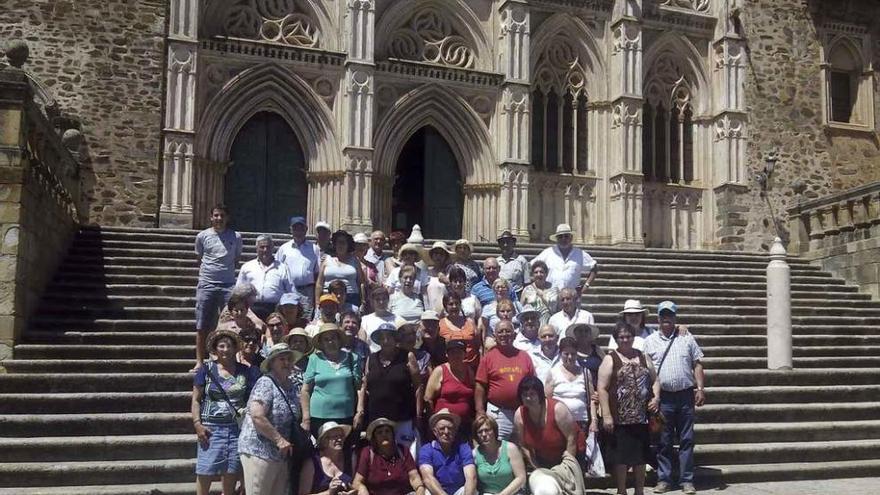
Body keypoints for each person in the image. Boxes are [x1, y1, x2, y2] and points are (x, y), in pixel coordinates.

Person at [643, 301, 705, 495]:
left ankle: (687, 479)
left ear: (675, 317)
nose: (666, 319)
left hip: (686, 395)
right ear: (658, 318)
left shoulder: (686, 337)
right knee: (664, 440)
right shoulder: (650, 341)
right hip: (664, 397)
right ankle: (664, 479)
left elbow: (697, 364)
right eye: (663, 315)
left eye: (670, 315)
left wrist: (700, 388)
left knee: (687, 439)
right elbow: (647, 372)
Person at [192, 329, 260, 495]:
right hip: (211, 428)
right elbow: (195, 399)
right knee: (205, 470)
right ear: (215, 349)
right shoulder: (206, 370)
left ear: (236, 348)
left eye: (229, 346)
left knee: (231, 471)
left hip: (237, 428)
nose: (225, 349)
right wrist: (197, 424)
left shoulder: (245, 371)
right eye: (221, 346)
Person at [598, 322, 660, 495]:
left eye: (628, 336)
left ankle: (639, 491)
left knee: (641, 457)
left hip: (641, 417)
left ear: (634, 338)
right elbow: (602, 388)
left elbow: (655, 380)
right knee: (621, 458)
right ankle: (622, 490)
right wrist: (607, 415)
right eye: (621, 337)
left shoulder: (643, 357)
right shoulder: (610, 359)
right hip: (620, 418)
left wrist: (656, 397)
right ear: (616, 339)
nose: (625, 340)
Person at [238, 343, 305, 495]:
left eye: (289, 359)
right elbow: (257, 415)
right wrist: (279, 440)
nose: (287, 363)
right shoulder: (265, 382)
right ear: (272, 363)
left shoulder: (291, 386)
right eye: (282, 359)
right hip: (259, 450)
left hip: (280, 454)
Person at [513, 376, 584, 495]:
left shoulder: (558, 409)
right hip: (544, 458)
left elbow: (571, 438)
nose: (528, 398)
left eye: (532, 394)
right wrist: (536, 467)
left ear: (540, 394)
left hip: (570, 454)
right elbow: (524, 445)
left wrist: (566, 467)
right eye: (524, 394)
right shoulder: (519, 415)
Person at [193, 205, 243, 370]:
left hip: (228, 285)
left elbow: (236, 259)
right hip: (207, 284)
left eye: (222, 215)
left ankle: (228, 362)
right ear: (211, 217)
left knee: (230, 324)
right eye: (216, 215)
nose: (219, 218)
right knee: (202, 324)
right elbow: (200, 257)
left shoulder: (235, 237)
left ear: (227, 218)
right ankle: (200, 362)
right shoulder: (202, 236)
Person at [365, 321, 422, 457]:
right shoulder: (371, 358)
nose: (386, 340)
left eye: (389, 337)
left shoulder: (407, 356)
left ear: (395, 339)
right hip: (377, 418)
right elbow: (365, 386)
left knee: (406, 454)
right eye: (382, 337)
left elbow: (418, 386)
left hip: (402, 416)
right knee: (380, 454)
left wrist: (418, 414)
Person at [301, 323, 366, 437]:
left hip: (346, 416)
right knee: (322, 452)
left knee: (344, 451)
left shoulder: (352, 358)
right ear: (321, 343)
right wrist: (306, 418)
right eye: (326, 339)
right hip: (319, 417)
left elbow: (359, 387)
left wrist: (359, 411)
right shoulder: (314, 359)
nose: (330, 342)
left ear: (339, 340)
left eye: (333, 338)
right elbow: (305, 390)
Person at [475, 320, 535, 441]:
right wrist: (480, 411)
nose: (504, 334)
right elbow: (480, 386)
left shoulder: (524, 356)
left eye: (508, 331)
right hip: (498, 413)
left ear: (514, 335)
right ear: (495, 336)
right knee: (498, 448)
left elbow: (533, 383)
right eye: (500, 332)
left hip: (522, 412)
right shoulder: (488, 358)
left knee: (522, 448)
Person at [545, 337, 598, 445]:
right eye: (566, 354)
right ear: (560, 354)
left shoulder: (585, 372)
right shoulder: (553, 373)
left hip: (582, 422)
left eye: (573, 354)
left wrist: (594, 421)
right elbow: (547, 400)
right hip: (559, 422)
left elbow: (592, 399)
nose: (570, 357)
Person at [354, 418, 426, 495]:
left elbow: (414, 477)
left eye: (387, 431)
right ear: (374, 438)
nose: (384, 434)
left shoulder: (403, 451)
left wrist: (420, 488)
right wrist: (362, 489)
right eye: (379, 432)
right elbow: (357, 482)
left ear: (393, 434)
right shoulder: (367, 453)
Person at [418, 409, 478, 495]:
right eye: (442, 428)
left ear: (455, 431)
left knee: (472, 490)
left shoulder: (463, 447)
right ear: (435, 432)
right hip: (437, 491)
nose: (446, 432)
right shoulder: (426, 450)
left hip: (459, 491)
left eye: (450, 428)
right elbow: (428, 478)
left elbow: (471, 477)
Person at [424, 340, 475, 438]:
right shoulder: (440, 371)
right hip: (444, 426)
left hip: (464, 424)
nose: (456, 355)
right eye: (452, 352)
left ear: (464, 354)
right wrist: (432, 423)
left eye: (459, 352)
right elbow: (427, 398)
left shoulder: (469, 370)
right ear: (447, 354)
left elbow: (473, 394)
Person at [236, 234, 292, 320]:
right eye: (262, 247)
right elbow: (238, 291)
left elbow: (290, 290)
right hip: (252, 309)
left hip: (275, 309)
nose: (265, 250)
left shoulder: (283, 268)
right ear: (257, 248)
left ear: (273, 248)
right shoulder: (247, 267)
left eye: (268, 247)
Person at [531, 223, 597, 294]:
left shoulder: (580, 253)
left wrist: (586, 285)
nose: (563, 239)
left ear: (571, 237)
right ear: (556, 239)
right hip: (550, 297)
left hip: (572, 298)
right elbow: (532, 265)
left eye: (566, 236)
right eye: (560, 236)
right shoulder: (548, 252)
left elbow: (594, 267)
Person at [277, 216, 321, 319]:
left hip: (307, 292)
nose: (298, 231)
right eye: (295, 228)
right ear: (291, 230)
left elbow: (317, 273)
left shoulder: (314, 249)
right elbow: (278, 270)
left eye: (301, 228)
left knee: (305, 319)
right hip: (288, 290)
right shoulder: (284, 249)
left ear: (306, 229)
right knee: (288, 318)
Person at [299, 422, 359, 495]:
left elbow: (356, 485)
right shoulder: (312, 463)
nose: (339, 439)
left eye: (341, 436)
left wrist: (352, 492)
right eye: (335, 437)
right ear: (324, 441)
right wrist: (329, 493)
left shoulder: (351, 458)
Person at [472, 415, 527, 495]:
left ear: (494, 431)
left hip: (513, 492)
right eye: (480, 432)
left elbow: (521, 478)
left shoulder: (510, 448)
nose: (484, 434)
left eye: (487, 430)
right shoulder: (475, 454)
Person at [609, 300, 689, 352]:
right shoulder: (617, 335)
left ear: (642, 316)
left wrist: (678, 328)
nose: (634, 317)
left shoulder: (651, 333)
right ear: (625, 317)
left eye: (637, 314)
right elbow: (612, 354)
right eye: (630, 315)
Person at [316, 230, 366, 309]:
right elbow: (319, 283)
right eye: (338, 242)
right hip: (328, 297)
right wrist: (317, 302)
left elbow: (361, 283)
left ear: (348, 245)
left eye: (343, 243)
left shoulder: (355, 260)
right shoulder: (326, 259)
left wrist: (363, 301)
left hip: (351, 297)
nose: (340, 245)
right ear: (334, 244)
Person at [439, 293, 482, 372]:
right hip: (451, 368)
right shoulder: (440, 325)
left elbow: (478, 344)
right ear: (445, 307)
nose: (454, 306)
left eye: (457, 303)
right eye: (451, 304)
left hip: (472, 366)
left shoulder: (470, 322)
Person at [519, 260, 558, 326]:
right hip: (532, 326)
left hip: (551, 325)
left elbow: (559, 309)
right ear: (532, 274)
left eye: (541, 272)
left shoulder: (554, 289)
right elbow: (521, 309)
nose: (539, 274)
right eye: (536, 272)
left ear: (546, 274)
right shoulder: (527, 290)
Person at [569, 323, 605, 395]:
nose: (583, 333)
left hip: (597, 392)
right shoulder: (570, 351)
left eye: (586, 331)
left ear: (590, 334)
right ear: (575, 334)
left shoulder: (597, 350)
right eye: (580, 331)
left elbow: (605, 368)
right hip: (577, 392)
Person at [360, 287, 397, 353]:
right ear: (372, 301)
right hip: (373, 358)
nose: (381, 302)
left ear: (388, 300)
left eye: (384, 299)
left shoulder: (397, 319)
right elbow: (362, 344)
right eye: (377, 299)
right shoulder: (364, 320)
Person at [496, 230, 530, 298]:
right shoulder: (496, 261)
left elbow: (527, 283)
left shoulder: (521, 261)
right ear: (499, 245)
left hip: (517, 297)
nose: (505, 245)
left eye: (508, 242)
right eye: (503, 242)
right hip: (500, 297)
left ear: (513, 244)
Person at [425, 241, 455, 313]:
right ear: (432, 256)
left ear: (446, 256)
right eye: (436, 253)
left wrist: (447, 282)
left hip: (447, 312)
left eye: (441, 254)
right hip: (430, 312)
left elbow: (457, 290)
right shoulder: (426, 273)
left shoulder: (451, 271)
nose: (438, 256)